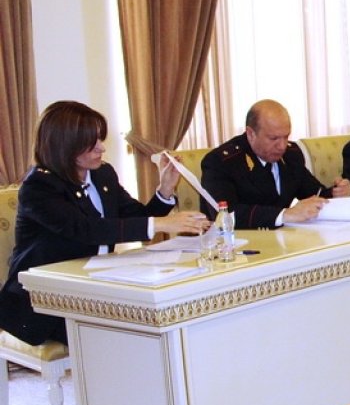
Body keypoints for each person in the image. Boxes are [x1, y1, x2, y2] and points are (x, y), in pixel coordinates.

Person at [0, 101, 207, 345]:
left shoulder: (102, 174)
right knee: (126, 334)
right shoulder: (39, 186)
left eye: (100, 139)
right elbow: (85, 229)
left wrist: (165, 189)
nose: (101, 148)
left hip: (94, 286)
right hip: (43, 301)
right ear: (65, 146)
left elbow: (135, 217)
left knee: (157, 317)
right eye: (92, 142)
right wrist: (162, 224)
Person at [200, 99, 350, 229]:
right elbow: (225, 215)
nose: (282, 146)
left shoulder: (291, 155)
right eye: (274, 139)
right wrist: (285, 215)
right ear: (251, 134)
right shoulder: (221, 162)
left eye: (286, 137)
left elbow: (313, 193)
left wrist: (336, 194)